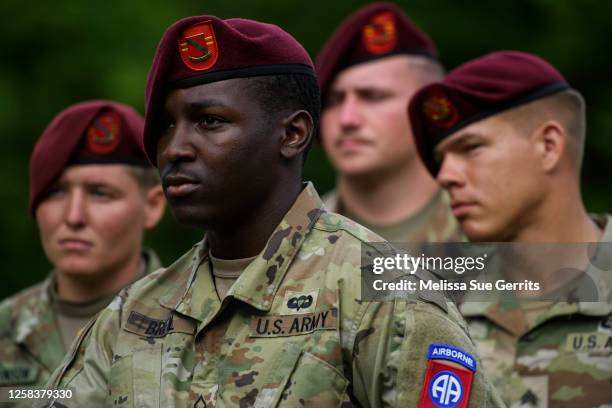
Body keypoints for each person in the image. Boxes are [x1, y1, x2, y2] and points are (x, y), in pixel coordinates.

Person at [38, 15, 503, 408]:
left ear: (293, 134)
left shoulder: (381, 295)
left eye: (210, 121)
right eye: (165, 127)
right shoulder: (135, 312)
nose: (175, 148)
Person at [408, 50, 612, 407]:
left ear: (548, 146)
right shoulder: (430, 306)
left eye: (470, 147)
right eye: (441, 160)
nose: (444, 177)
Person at [0, 101, 166, 401]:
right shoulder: (5, 329)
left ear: (152, 205)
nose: (73, 216)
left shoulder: (198, 321)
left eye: (100, 193)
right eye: (56, 192)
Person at [316, 2, 463, 243]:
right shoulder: (289, 242)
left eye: (373, 96)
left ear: (428, 109)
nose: (347, 119)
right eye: (334, 100)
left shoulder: (497, 230)